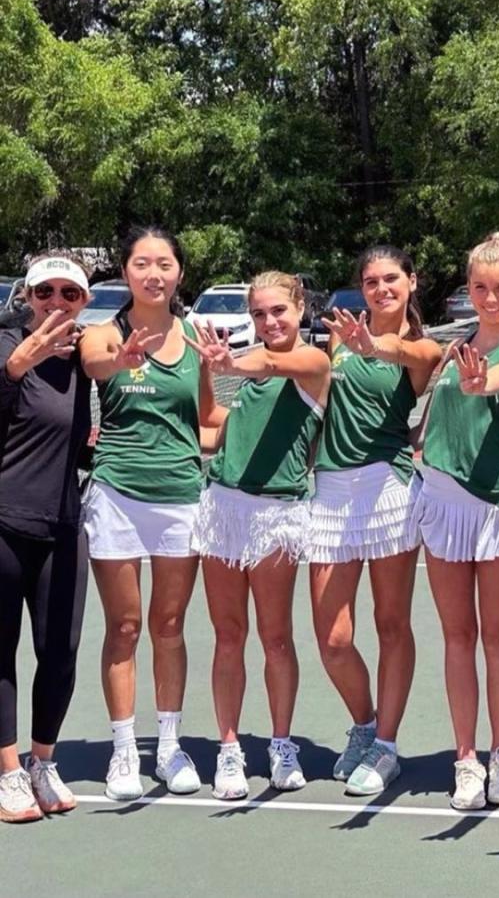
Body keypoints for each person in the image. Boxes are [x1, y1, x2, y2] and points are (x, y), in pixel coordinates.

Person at [80, 226, 224, 801]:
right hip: (116, 493)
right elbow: (95, 367)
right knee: (124, 627)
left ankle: (168, 747)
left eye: (164, 263)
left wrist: (275, 418)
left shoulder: (195, 336)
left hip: (181, 497)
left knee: (168, 626)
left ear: (179, 273)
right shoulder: (102, 332)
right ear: (125, 271)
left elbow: (210, 420)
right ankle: (122, 753)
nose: (154, 273)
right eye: (142, 263)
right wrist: (123, 357)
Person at [415, 233, 499, 810]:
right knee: (456, 636)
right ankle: (465, 759)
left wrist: (483, 380)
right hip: (442, 503)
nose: (489, 298)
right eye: (479, 287)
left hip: (496, 507)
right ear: (467, 289)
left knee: (496, 636)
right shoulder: (454, 348)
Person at [188, 272, 329, 799]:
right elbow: (209, 419)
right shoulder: (248, 375)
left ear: (299, 310)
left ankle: (281, 744)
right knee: (228, 637)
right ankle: (228, 750)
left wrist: (230, 361)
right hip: (223, 509)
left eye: (278, 311)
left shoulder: (313, 363)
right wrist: (209, 368)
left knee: (275, 637)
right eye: (259, 314)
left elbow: (272, 362)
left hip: (277, 515)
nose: (269, 322)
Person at [309, 245, 442, 795]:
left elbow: (413, 358)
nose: (381, 288)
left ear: (412, 282)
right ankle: (364, 725)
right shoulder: (340, 335)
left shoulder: (424, 348)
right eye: (370, 280)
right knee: (333, 637)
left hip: (387, 488)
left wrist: (377, 346)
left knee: (392, 625)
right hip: (331, 489)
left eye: (392, 278)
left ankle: (386, 745)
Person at [0, 255, 89, 822]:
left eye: (70, 293)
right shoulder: (7, 345)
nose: (57, 301)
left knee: (60, 651)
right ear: (27, 295)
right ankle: (8, 772)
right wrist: (12, 371)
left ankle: (42, 761)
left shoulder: (86, 358)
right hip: (5, 523)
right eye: (45, 291)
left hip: (63, 524)